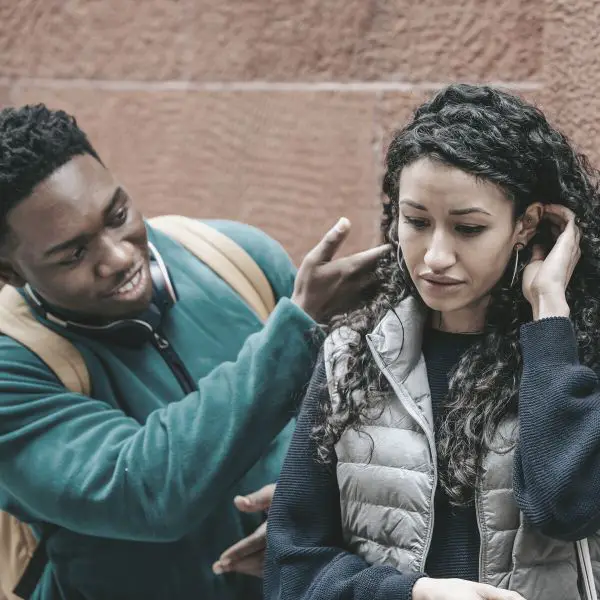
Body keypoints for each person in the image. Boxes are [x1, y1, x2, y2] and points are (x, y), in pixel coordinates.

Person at [0, 104, 388, 600]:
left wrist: (311, 510)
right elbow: (145, 490)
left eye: (118, 215)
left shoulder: (235, 256)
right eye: (74, 254)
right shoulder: (14, 370)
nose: (118, 257)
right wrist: (295, 331)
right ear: (10, 272)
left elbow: (344, 426)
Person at [264, 83, 600, 600]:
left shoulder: (576, 357)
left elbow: (567, 505)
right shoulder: (351, 357)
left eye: (467, 228)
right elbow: (291, 568)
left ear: (524, 225)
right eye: (416, 222)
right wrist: (412, 595)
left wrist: (550, 314)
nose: (435, 255)